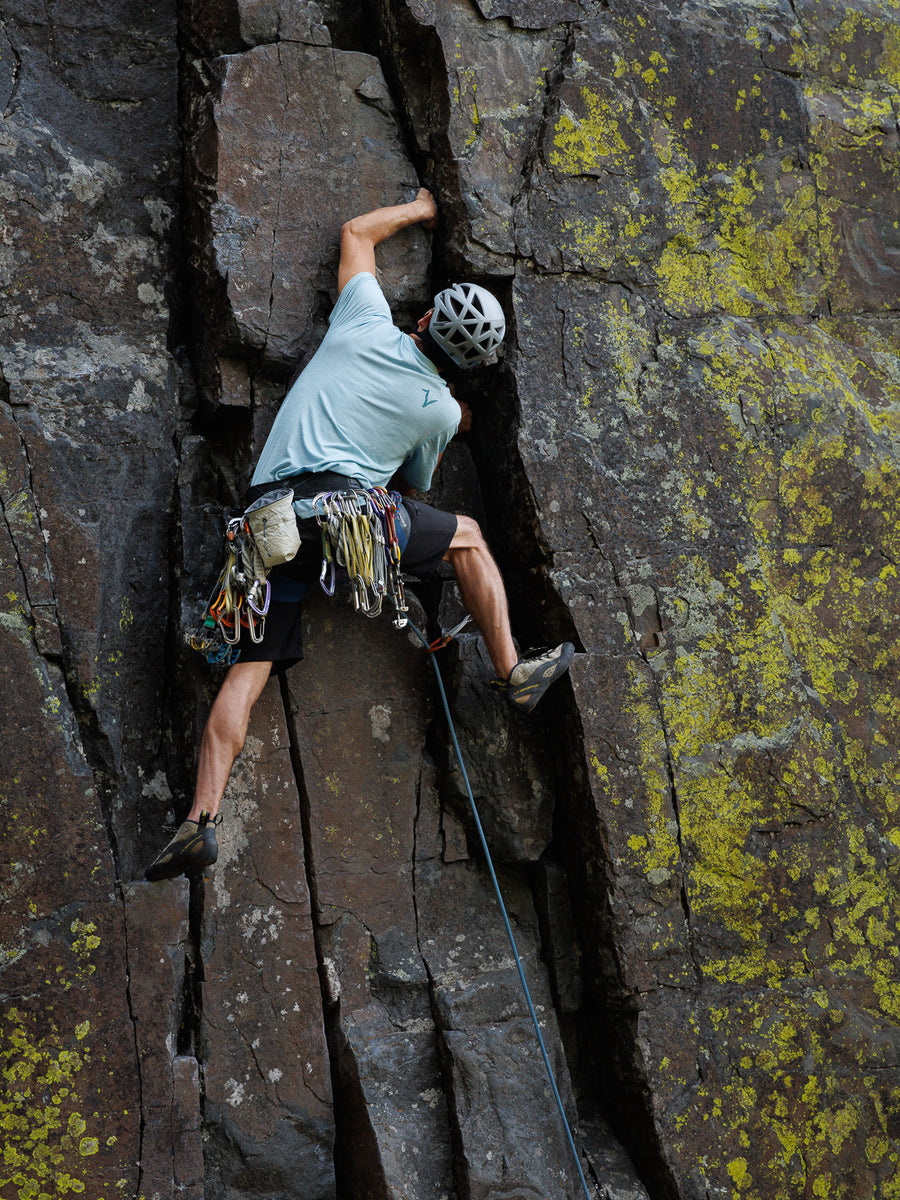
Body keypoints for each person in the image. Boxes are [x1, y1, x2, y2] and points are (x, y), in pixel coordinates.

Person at [145, 189, 574, 882]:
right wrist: (452, 418)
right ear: (466, 364)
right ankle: (514, 670)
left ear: (428, 317)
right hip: (343, 515)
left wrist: (421, 207)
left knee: (246, 676)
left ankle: (200, 821)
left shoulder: (364, 320)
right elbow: (414, 493)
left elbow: (354, 232)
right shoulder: (437, 410)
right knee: (464, 534)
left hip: (267, 525)